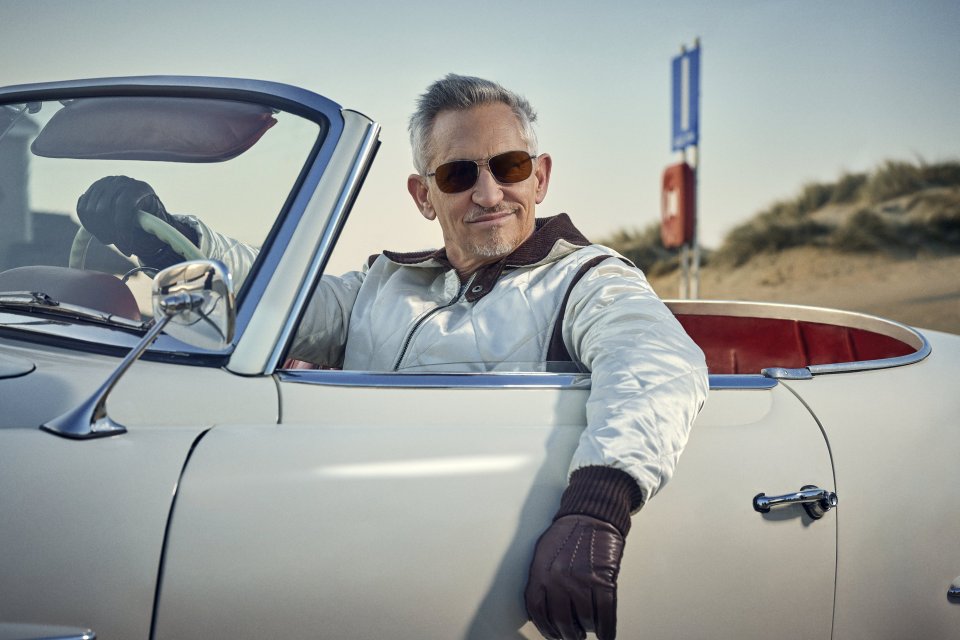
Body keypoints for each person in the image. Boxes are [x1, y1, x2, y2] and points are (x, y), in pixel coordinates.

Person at [77, 74, 708, 640]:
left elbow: (654, 362)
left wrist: (597, 507)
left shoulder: (586, 279)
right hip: (363, 551)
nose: (489, 194)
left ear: (539, 177)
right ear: (423, 194)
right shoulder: (383, 285)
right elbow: (273, 303)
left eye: (508, 166)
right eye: (460, 174)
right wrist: (162, 233)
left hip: (475, 561)